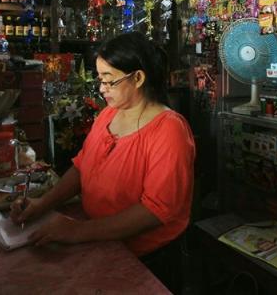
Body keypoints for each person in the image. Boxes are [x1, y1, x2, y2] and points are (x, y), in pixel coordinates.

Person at [11, 31, 195, 289]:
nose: (101, 89)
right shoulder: (109, 114)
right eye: (100, 80)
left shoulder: (169, 130)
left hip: (149, 261)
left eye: (109, 81)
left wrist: (76, 231)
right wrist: (41, 204)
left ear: (138, 78)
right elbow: (81, 167)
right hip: (104, 243)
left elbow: (155, 211)